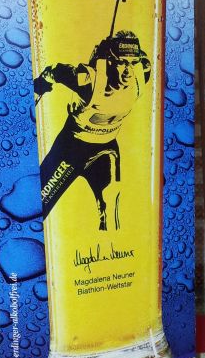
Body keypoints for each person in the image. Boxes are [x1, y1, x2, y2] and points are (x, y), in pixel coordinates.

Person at [34, 29, 150, 231]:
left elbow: (146, 60)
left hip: (106, 148)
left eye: (133, 63)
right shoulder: (89, 80)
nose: (128, 71)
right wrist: (38, 91)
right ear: (109, 61)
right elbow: (54, 72)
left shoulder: (142, 74)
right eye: (122, 62)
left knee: (112, 217)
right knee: (38, 206)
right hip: (71, 150)